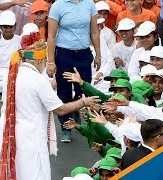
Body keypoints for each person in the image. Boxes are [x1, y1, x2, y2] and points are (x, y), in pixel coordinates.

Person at [0, 31, 99, 180]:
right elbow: (60, 109)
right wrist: (84, 102)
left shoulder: (11, 75)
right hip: (30, 137)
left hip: (9, 133)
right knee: (34, 174)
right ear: (39, 60)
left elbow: (31, 96)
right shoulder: (37, 80)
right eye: (44, 60)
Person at [47, 0, 101, 142]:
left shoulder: (89, 4)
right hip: (64, 54)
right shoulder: (58, 5)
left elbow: (94, 32)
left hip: (84, 54)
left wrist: (98, 54)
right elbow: (51, 36)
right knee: (64, 92)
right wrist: (51, 61)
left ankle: (77, 110)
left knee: (83, 89)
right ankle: (65, 127)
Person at [63, 68, 147, 104]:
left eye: (116, 80)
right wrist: (81, 82)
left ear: (129, 92)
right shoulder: (111, 98)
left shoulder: (137, 98)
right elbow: (99, 95)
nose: (113, 83)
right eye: (111, 81)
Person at [0, 10, 20, 93]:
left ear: (15, 26)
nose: (8, 30)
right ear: (0, 27)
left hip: (12, 75)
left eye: (11, 27)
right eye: (5, 27)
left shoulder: (20, 40)